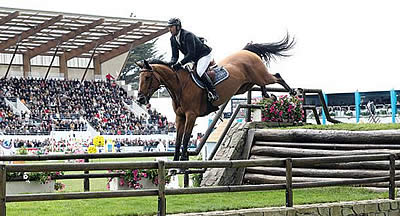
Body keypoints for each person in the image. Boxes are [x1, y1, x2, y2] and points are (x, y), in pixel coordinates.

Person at [167, 17, 219, 102]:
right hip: (193, 57)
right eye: (169, 27)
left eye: (171, 27)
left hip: (204, 54)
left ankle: (213, 92)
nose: (169, 29)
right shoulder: (172, 39)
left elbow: (191, 54)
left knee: (199, 71)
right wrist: (169, 64)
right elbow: (174, 57)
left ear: (178, 27)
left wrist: (180, 64)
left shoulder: (187, 35)